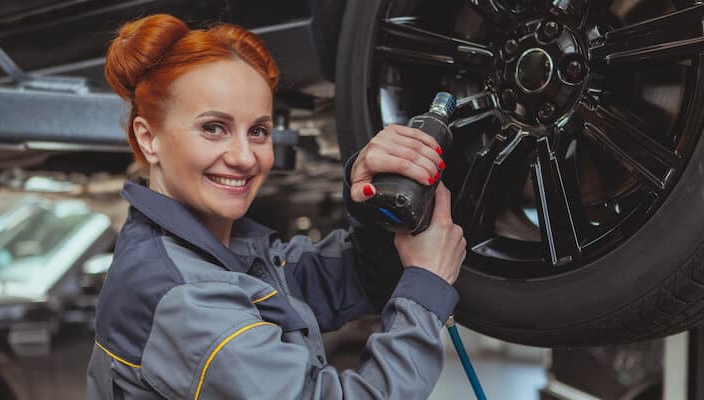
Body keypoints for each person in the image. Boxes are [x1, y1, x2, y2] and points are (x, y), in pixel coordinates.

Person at [86, 13, 467, 400]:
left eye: (258, 131)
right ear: (148, 138)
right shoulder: (183, 296)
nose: (244, 157)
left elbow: (347, 280)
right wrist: (426, 287)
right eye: (213, 128)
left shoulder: (208, 255)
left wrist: (369, 195)